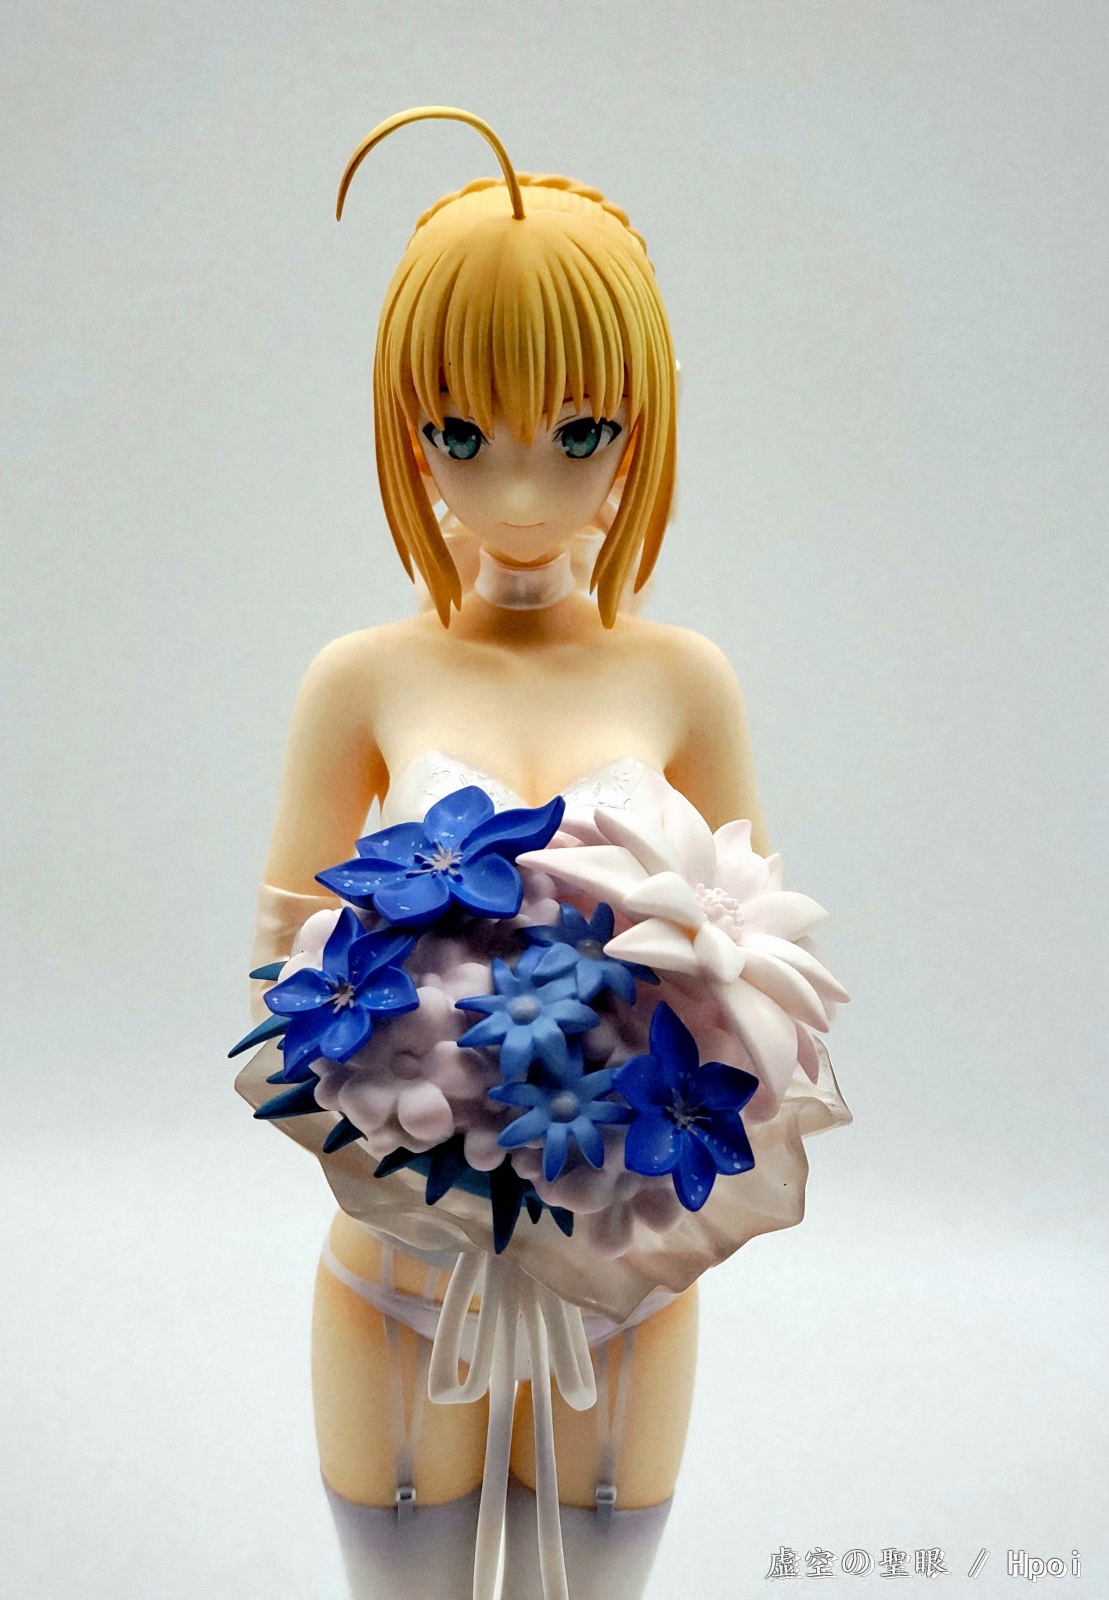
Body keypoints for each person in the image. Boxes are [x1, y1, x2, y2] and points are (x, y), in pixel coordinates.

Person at [234, 107, 849, 1600]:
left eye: (579, 435)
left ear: (646, 422)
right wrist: (428, 1126)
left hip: (626, 1285)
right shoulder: (361, 679)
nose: (519, 500)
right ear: (408, 426)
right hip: (398, 1272)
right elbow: (274, 987)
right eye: (463, 434)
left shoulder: (684, 680)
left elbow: (761, 980)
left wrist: (606, 1123)